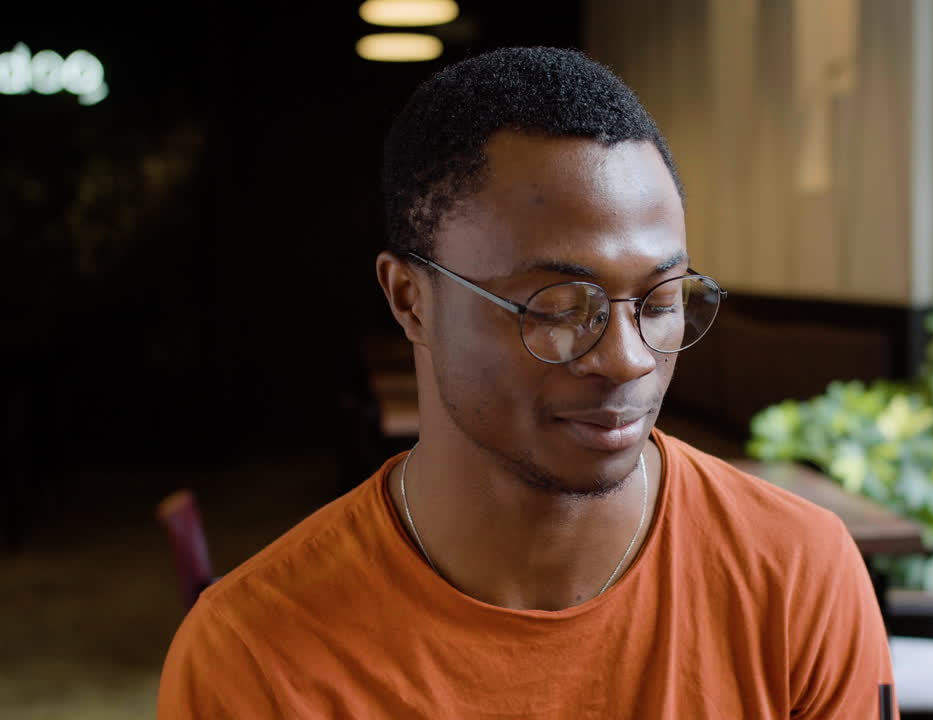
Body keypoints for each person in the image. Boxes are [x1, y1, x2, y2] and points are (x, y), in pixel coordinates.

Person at [158, 46, 895, 718]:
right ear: (411, 300)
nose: (627, 358)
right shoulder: (254, 655)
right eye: (558, 308)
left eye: (661, 302)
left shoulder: (795, 575)